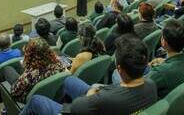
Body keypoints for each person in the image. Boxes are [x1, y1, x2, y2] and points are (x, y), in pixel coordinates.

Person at [20, 34, 157, 115]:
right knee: (69, 80)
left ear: (119, 69)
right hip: (108, 100)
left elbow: (76, 108)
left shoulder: (105, 98)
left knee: (36, 100)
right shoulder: (151, 85)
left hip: (89, 106)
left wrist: (91, 95)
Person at [3, 38, 65, 103]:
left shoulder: (29, 75)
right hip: (51, 93)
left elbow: (14, 92)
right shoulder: (58, 63)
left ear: (30, 54)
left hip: (30, 99)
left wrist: (25, 71)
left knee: (7, 69)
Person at [147, 19, 184, 98]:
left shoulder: (160, 72)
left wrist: (149, 66)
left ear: (164, 42)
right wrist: (165, 61)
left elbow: (140, 87)